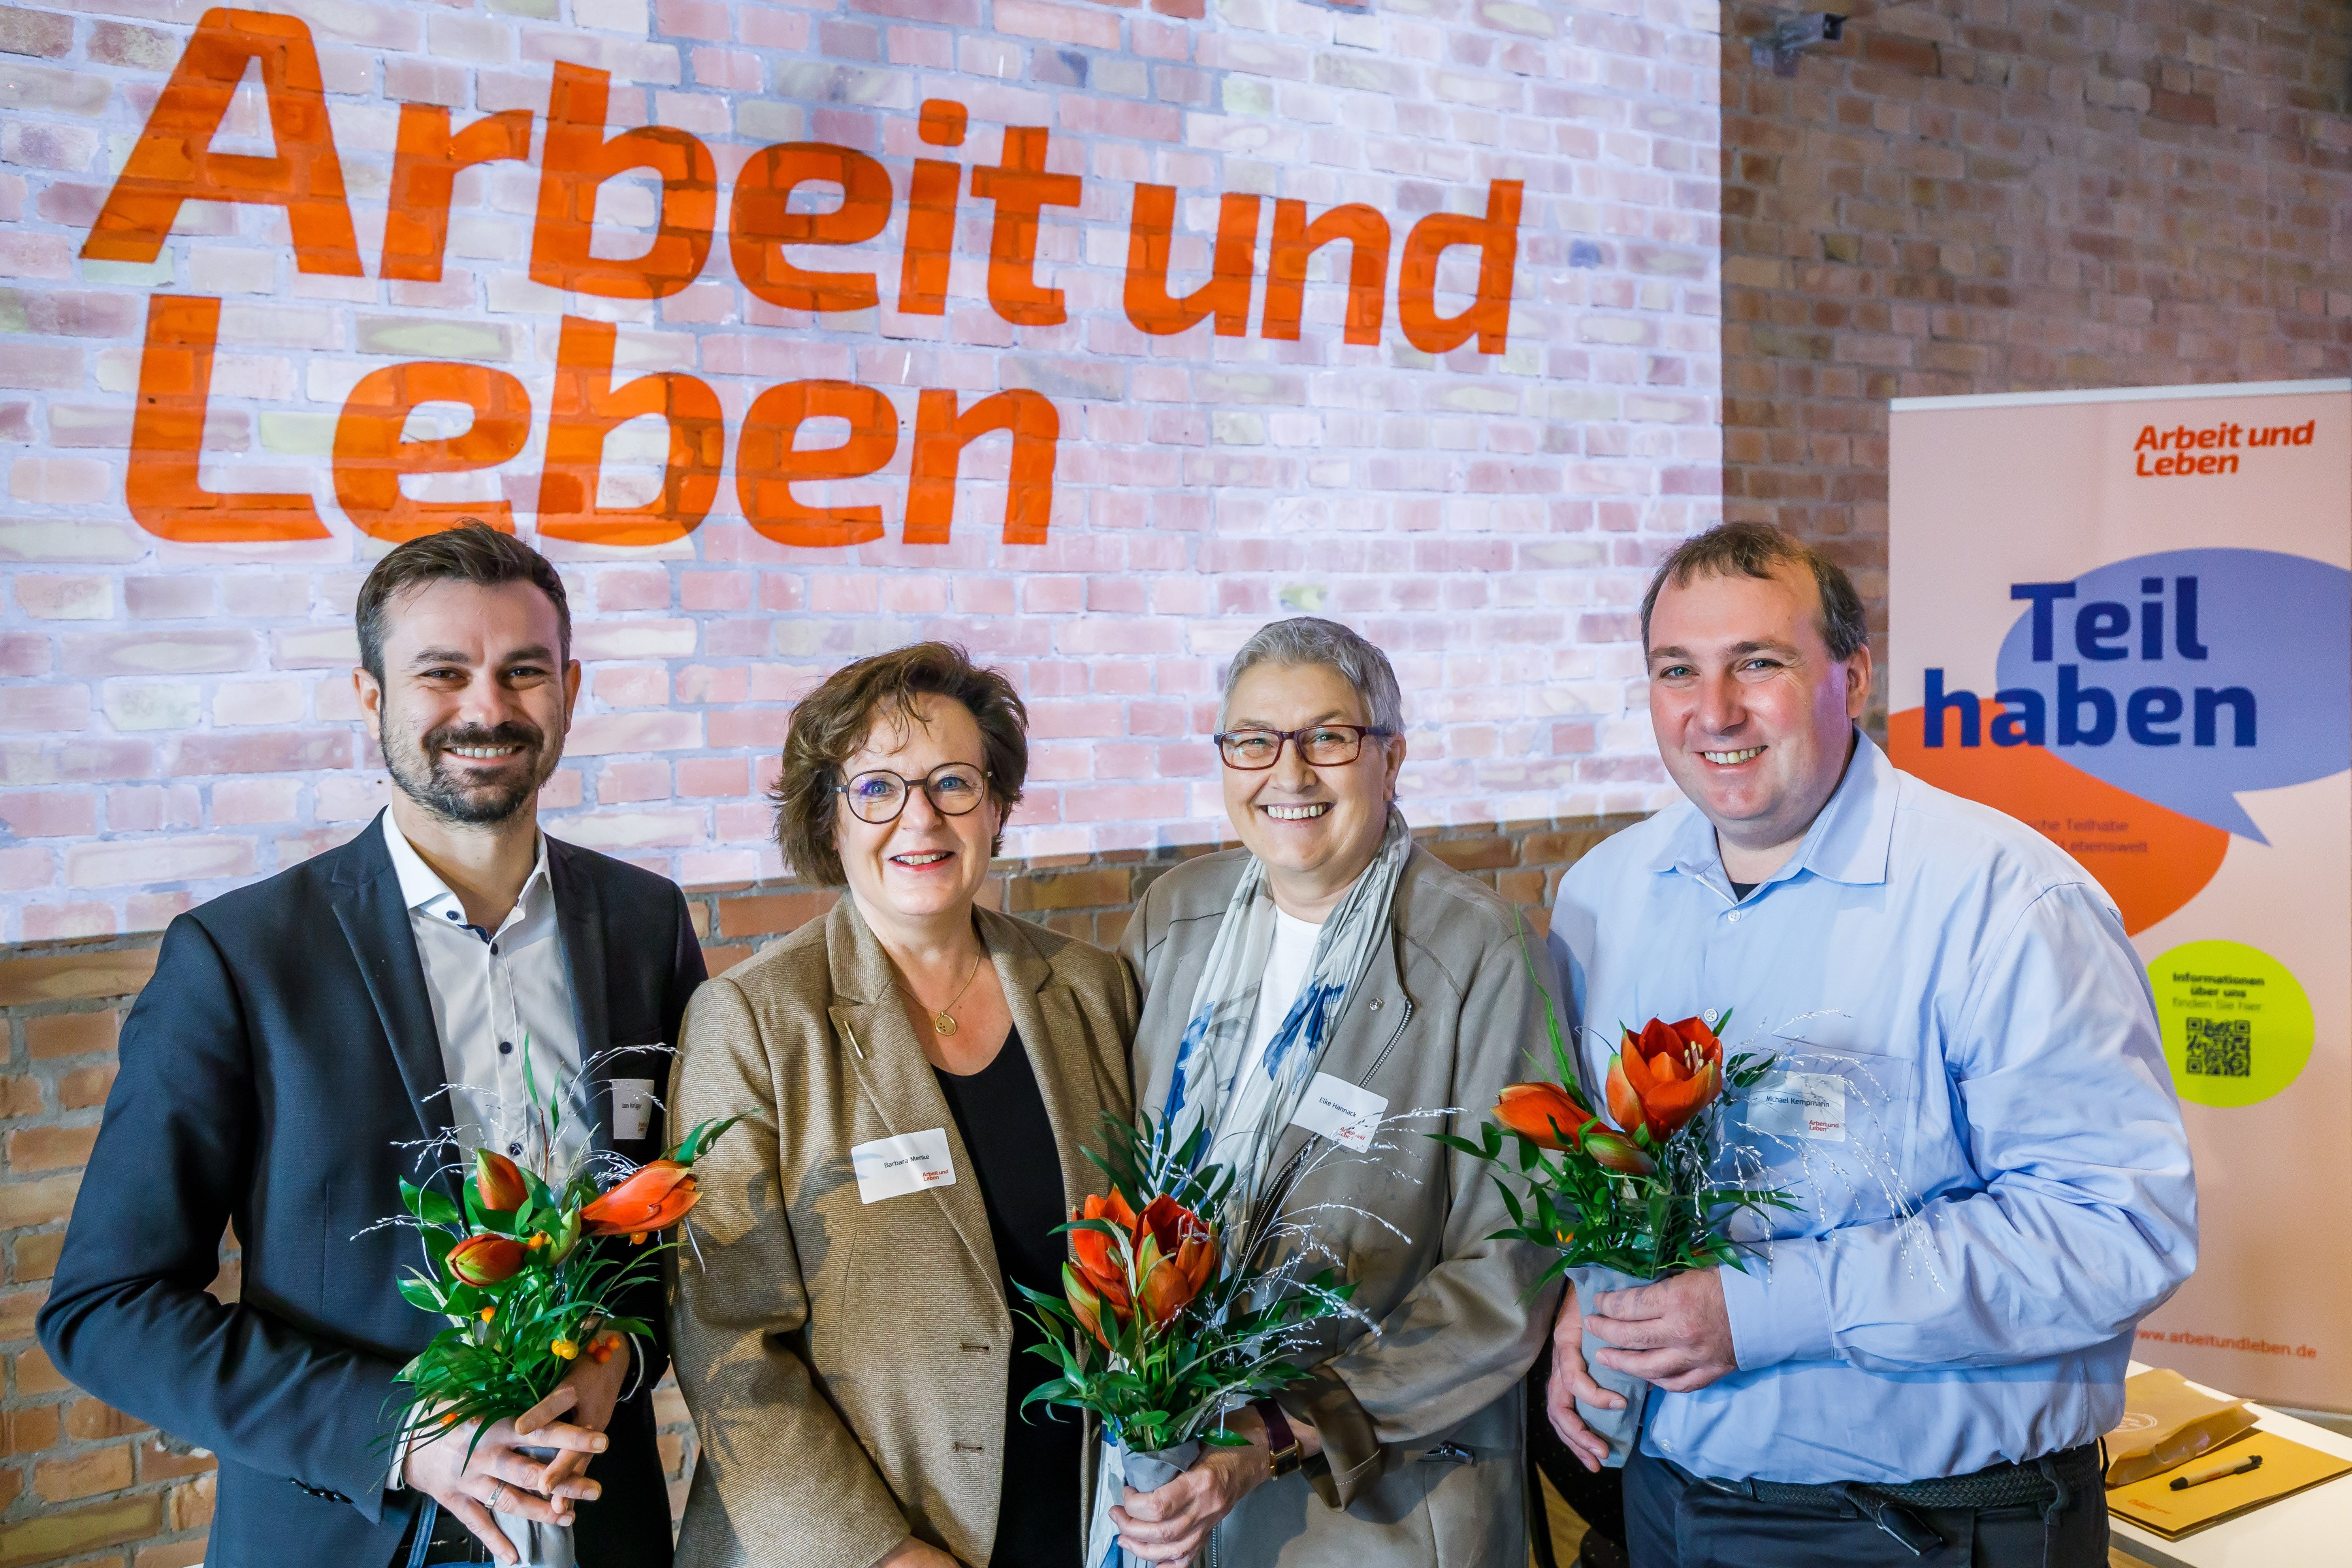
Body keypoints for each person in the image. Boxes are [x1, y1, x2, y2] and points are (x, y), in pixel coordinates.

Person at [38, 521, 704, 1567]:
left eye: (522, 672)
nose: (486, 708)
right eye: (443, 673)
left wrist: (621, 1353)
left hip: (596, 1524)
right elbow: (104, 1308)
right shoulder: (240, 955)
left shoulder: (644, 921)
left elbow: (665, 1215)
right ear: (371, 697)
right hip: (343, 1531)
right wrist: (405, 1434)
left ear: (568, 689)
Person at [1545, 522, 2198, 1566]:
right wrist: (1593, 1301)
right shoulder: (1603, 895)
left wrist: (1761, 1309)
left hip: (1923, 1526)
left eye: (1758, 663)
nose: (1714, 711)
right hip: (1667, 1501)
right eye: (1679, 670)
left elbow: (2116, 1229)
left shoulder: (2005, 901)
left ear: (1851, 679)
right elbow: (1606, 1169)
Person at [666, 642, 1138, 1568]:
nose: (919, 817)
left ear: (997, 805)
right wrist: (882, 1556)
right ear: (826, 817)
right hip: (852, 1547)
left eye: (953, 782)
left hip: (1078, 1523)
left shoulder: (1090, 989)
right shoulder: (755, 1019)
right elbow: (725, 1339)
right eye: (876, 788)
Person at [1111, 616, 1560, 1566]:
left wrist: (1281, 1430)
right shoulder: (1170, 918)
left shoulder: (1480, 950)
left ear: (1390, 757)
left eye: (1328, 737)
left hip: (1372, 1502)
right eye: (1254, 740)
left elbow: (1511, 1267)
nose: (1289, 772)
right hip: (1164, 1488)